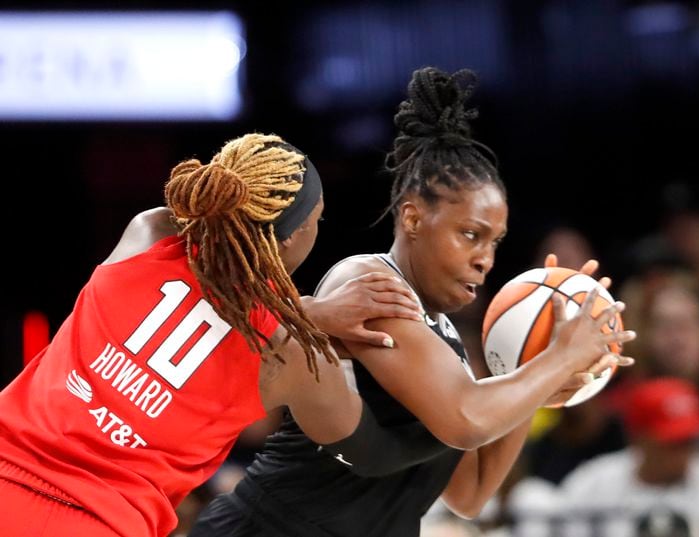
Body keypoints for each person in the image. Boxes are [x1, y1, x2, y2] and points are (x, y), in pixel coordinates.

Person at [189, 67, 635, 537]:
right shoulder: (371, 284)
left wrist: (533, 372)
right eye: (470, 235)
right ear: (413, 217)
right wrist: (557, 361)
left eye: (495, 242)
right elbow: (464, 420)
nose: (485, 259)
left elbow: (471, 493)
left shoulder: (448, 348)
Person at [0, 132, 438, 537]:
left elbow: (205, 275)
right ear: (292, 238)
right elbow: (373, 456)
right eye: (318, 219)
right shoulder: (287, 346)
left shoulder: (147, 233)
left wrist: (309, 313)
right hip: (100, 522)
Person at [559, 377, 699, 537]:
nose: (684, 453)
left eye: (689, 440)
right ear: (638, 438)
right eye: (673, 443)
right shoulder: (592, 484)